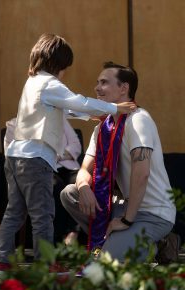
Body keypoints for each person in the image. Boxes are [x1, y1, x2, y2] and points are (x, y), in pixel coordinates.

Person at [0, 34, 136, 274]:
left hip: (15, 155)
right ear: (58, 64)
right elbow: (76, 101)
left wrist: (86, 115)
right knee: (42, 214)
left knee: (14, 212)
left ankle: (2, 259)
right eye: (64, 68)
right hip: (34, 158)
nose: (64, 73)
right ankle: (45, 263)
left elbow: (62, 107)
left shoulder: (33, 82)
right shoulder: (50, 83)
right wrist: (114, 108)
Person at [61, 61, 176, 262]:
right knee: (70, 193)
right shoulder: (102, 128)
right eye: (97, 82)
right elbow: (84, 170)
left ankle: (158, 243)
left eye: (104, 82)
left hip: (150, 212)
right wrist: (83, 187)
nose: (97, 88)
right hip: (121, 206)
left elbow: (142, 174)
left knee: (107, 265)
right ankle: (122, 238)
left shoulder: (138, 119)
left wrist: (126, 220)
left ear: (124, 88)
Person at [3, 116, 81, 243]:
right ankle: (59, 238)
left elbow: (76, 145)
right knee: (56, 188)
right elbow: (11, 155)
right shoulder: (13, 125)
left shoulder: (59, 119)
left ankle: (73, 231)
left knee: (80, 184)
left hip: (65, 165)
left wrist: (57, 156)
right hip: (40, 168)